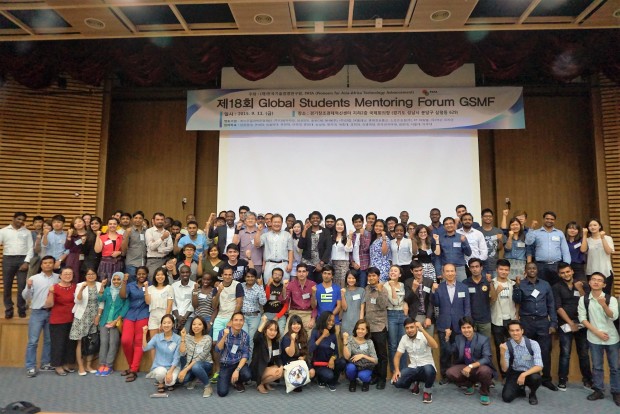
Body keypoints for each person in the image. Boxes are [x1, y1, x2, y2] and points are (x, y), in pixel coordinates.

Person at [513, 262, 558, 391]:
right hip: (527, 322)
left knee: (545, 352)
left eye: (534, 268)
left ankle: (546, 379)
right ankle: (527, 378)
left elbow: (551, 304)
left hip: (543, 322)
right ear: (525, 271)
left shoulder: (545, 285)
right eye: (529, 268)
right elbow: (516, 300)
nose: (532, 270)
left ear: (537, 270)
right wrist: (516, 287)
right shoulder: (520, 284)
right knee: (525, 352)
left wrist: (553, 323)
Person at [578, 272, 619, 406]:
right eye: (593, 279)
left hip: (611, 338)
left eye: (599, 280)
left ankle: (616, 392)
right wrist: (597, 332)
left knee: (614, 367)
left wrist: (604, 305)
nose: (596, 282)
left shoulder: (610, 299)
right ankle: (598, 390)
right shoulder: (584, 299)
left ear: (604, 284)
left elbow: (613, 317)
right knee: (597, 366)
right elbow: (582, 319)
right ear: (589, 283)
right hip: (594, 337)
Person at [553, 262, 592, 390]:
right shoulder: (557, 287)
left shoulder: (583, 285)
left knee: (584, 353)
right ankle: (562, 380)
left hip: (582, 322)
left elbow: (587, 303)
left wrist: (580, 289)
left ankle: (587, 380)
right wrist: (570, 323)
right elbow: (558, 307)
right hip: (565, 323)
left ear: (572, 271)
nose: (566, 274)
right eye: (563, 273)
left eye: (568, 272)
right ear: (559, 274)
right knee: (565, 352)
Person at [433, 263, 471, 384]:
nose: (450, 273)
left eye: (452, 271)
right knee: (445, 351)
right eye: (447, 271)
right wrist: (434, 292)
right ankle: (445, 376)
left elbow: (467, 306)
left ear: (456, 272)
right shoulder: (439, 287)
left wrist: (467, 324)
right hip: (444, 324)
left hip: (460, 324)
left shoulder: (463, 287)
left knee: (459, 351)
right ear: (443, 273)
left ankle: (459, 376)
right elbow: (436, 304)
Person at [446, 316, 496, 406]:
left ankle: (484, 392)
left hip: (479, 367)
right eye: (463, 328)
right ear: (460, 329)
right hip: (465, 367)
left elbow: (487, 358)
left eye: (468, 327)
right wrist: (447, 338)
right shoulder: (458, 338)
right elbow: (450, 351)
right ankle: (470, 384)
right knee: (450, 372)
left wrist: (471, 366)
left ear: (473, 328)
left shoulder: (483, 339)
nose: (466, 330)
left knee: (485, 371)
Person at [22, 255, 58, 377]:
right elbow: (26, 297)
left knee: (49, 340)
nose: (48, 265)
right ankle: (30, 366)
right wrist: (28, 286)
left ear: (54, 264)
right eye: (45, 263)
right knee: (33, 341)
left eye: (50, 263)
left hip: (52, 312)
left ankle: (45, 363)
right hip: (37, 312)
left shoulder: (58, 278)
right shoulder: (34, 278)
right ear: (41, 265)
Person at [391, 318, 438, 404]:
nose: (409, 330)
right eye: (407, 328)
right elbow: (397, 356)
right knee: (397, 383)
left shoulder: (423, 335)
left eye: (412, 327)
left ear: (416, 327)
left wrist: (422, 330)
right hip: (413, 368)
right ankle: (416, 381)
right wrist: (397, 370)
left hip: (426, 367)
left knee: (429, 370)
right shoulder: (404, 338)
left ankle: (427, 391)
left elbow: (435, 345)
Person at [500, 320, 543, 405]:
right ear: (509, 332)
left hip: (530, 372)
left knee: (536, 378)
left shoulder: (533, 344)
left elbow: (539, 366)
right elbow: (504, 369)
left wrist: (524, 374)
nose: (515, 333)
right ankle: (520, 389)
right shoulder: (506, 345)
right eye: (512, 331)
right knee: (506, 398)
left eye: (517, 330)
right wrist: (502, 353)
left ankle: (532, 393)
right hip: (515, 372)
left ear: (522, 331)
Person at [119, 267, 150, 383]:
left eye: (143, 274)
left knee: (138, 342)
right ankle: (131, 366)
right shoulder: (130, 285)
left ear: (147, 275)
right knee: (125, 341)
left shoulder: (150, 285)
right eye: (139, 274)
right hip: (130, 314)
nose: (141, 276)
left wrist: (147, 288)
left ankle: (133, 370)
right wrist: (124, 282)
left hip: (144, 314)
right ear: (136, 275)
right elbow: (123, 296)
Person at [1, 212, 34, 318]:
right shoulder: (3, 231)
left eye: (22, 220)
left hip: (22, 260)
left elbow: (30, 248)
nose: (21, 221)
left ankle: (21, 308)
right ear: (13, 218)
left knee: (22, 286)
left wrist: (27, 262)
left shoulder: (27, 232)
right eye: (19, 219)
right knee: (7, 286)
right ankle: (9, 309)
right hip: (8, 259)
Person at [70, 268, 102, 376]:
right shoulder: (80, 285)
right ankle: (81, 366)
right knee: (79, 341)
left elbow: (102, 302)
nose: (91, 276)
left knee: (91, 341)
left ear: (96, 275)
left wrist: (98, 315)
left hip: (94, 317)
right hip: (82, 316)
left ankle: (88, 365)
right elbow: (77, 301)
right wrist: (81, 289)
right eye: (88, 274)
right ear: (85, 276)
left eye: (93, 274)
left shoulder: (100, 285)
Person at [95, 272, 128, 376]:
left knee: (113, 343)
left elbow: (125, 308)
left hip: (116, 322)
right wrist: (102, 286)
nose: (116, 281)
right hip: (104, 320)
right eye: (114, 279)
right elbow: (100, 298)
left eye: (119, 279)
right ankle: (102, 364)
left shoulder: (124, 291)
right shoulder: (108, 289)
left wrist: (116, 320)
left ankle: (109, 366)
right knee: (104, 342)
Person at [45, 266, 76, 376]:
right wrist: (51, 293)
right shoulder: (54, 287)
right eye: (65, 274)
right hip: (58, 320)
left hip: (72, 320)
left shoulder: (75, 287)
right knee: (58, 344)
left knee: (70, 344)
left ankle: (66, 364)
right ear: (60, 276)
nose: (68, 276)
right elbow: (48, 305)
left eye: (70, 274)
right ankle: (58, 366)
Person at [525, 211, 571, 286]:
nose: (549, 220)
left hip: (556, 265)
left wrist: (567, 265)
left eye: (552, 219)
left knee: (556, 287)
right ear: (543, 219)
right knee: (541, 287)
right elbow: (528, 242)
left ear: (554, 221)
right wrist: (531, 228)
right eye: (547, 218)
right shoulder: (536, 232)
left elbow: (565, 250)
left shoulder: (559, 233)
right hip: (540, 266)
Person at [489, 259, 518, 378]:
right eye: (501, 269)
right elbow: (490, 301)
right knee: (500, 348)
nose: (503, 272)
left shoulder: (513, 284)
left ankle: (514, 372)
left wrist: (517, 316)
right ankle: (504, 375)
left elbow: (517, 302)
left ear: (509, 271)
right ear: (496, 270)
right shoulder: (492, 283)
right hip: (497, 321)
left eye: (506, 270)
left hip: (511, 319)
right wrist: (496, 291)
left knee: (514, 347)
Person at [361, 267, 389, 389]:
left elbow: (383, 305)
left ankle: (382, 379)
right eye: (369, 276)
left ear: (378, 277)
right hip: (369, 327)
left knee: (382, 355)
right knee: (373, 355)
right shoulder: (366, 289)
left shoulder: (383, 289)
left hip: (379, 326)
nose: (371, 278)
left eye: (374, 276)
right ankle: (375, 376)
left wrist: (379, 291)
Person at [215, 312, 252, 396]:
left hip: (238, 363)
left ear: (243, 322)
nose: (238, 322)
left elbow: (245, 355)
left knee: (247, 375)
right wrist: (224, 336)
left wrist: (237, 370)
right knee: (222, 393)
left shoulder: (245, 336)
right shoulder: (222, 332)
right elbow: (217, 349)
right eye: (235, 320)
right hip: (226, 364)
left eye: (241, 320)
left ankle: (237, 381)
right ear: (231, 321)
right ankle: (228, 378)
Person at [142, 314, 182, 393]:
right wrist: (144, 334)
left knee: (170, 382)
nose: (166, 325)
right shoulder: (157, 337)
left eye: (169, 323)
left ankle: (166, 380)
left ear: (173, 324)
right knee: (161, 373)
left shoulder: (178, 338)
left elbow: (177, 357)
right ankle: (160, 382)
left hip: (173, 367)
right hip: (159, 366)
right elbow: (145, 348)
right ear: (161, 325)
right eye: (164, 323)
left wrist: (170, 372)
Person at [309, 311, 347, 391]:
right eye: (329, 320)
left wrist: (332, 358)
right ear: (323, 320)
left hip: (330, 363)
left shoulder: (333, 334)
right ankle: (320, 378)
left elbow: (336, 352)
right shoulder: (315, 332)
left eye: (333, 321)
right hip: (319, 364)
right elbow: (310, 349)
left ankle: (332, 382)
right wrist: (322, 336)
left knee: (342, 362)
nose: (331, 323)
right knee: (329, 375)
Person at [178, 316, 214, 398]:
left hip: (205, 364)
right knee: (182, 380)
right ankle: (195, 377)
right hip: (190, 365)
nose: (196, 326)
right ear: (191, 326)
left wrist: (184, 370)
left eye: (199, 324)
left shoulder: (207, 339)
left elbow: (199, 358)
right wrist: (183, 338)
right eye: (194, 324)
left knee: (196, 367)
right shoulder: (187, 337)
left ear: (203, 326)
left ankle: (207, 386)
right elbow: (182, 353)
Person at [280, 314, 316, 392]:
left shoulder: (303, 334)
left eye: (298, 324)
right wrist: (292, 340)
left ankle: (298, 381)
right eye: (294, 324)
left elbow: (306, 351)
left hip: (301, 360)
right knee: (297, 382)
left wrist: (304, 357)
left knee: (312, 372)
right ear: (290, 325)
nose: (296, 326)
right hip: (290, 361)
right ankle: (295, 381)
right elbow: (290, 354)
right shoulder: (286, 338)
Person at [255, 214, 293, 282]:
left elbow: (290, 250)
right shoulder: (265, 235)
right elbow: (257, 244)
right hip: (269, 264)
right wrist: (258, 231)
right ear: (271, 223)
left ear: (282, 223)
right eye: (275, 222)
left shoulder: (287, 235)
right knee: (268, 286)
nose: (276, 224)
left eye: (279, 222)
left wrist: (290, 264)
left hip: (283, 264)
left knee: (285, 286)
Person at [251, 316, 284, 394]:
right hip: (258, 368)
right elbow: (255, 337)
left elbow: (277, 358)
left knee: (281, 371)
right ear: (265, 330)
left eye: (275, 330)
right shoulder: (260, 340)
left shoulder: (275, 342)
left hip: (267, 367)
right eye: (270, 330)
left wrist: (281, 366)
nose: (273, 332)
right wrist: (264, 322)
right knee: (276, 371)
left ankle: (264, 382)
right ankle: (259, 383)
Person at [281, 263, 316, 335]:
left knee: (311, 335)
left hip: (307, 314)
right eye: (299, 271)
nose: (301, 274)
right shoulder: (291, 284)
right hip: (294, 313)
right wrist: (284, 288)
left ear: (307, 273)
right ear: (296, 273)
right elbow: (284, 300)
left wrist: (313, 318)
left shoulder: (313, 285)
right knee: (286, 336)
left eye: (303, 271)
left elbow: (315, 306)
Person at [343, 319, 377, 392]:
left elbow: (375, 360)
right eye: (358, 328)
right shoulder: (350, 339)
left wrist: (363, 355)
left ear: (367, 331)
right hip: (354, 365)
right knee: (350, 368)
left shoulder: (369, 342)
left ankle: (366, 382)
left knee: (363, 376)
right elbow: (346, 357)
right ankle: (352, 381)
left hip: (366, 366)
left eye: (363, 329)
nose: (360, 331)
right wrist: (345, 342)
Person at [384, 265, 408, 372]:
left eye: (395, 271)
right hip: (391, 315)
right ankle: (395, 370)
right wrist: (393, 287)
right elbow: (395, 302)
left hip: (403, 315)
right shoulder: (385, 285)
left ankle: (404, 370)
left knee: (403, 343)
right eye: (391, 271)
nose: (392, 272)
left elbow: (406, 299)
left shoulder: (403, 285)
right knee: (393, 344)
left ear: (400, 274)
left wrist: (406, 303)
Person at [298, 211, 332, 284]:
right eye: (313, 218)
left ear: (320, 219)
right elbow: (301, 245)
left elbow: (328, 248)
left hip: (321, 263)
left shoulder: (326, 231)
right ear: (310, 220)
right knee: (309, 284)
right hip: (308, 263)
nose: (315, 219)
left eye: (317, 218)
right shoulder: (307, 231)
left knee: (320, 284)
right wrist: (304, 230)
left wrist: (321, 263)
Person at [583, 218, 615, 295]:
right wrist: (584, 235)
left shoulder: (608, 238)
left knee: (606, 294)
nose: (592, 227)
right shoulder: (587, 240)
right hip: (591, 271)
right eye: (590, 225)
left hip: (605, 270)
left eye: (595, 225)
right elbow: (583, 250)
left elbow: (608, 251)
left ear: (599, 226)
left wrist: (602, 238)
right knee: (593, 294)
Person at [404, 262, 436, 336]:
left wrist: (428, 317)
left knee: (429, 343)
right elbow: (407, 300)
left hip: (428, 315)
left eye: (420, 270)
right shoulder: (408, 282)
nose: (419, 273)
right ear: (411, 271)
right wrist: (413, 289)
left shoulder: (429, 281)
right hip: (415, 315)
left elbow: (431, 302)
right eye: (416, 271)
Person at [463, 258, 492, 338]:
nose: (475, 269)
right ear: (469, 269)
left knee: (485, 345)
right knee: (471, 346)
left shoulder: (487, 282)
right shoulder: (465, 283)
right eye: (472, 267)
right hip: (470, 321)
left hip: (485, 320)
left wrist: (491, 283)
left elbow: (493, 299)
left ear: (481, 267)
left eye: (477, 266)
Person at [241, 268, 267, 356]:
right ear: (245, 277)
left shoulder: (258, 288)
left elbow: (263, 302)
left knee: (251, 340)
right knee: (244, 339)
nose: (250, 278)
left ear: (255, 278)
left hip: (254, 317)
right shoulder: (241, 286)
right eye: (248, 276)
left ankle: (249, 364)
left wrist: (261, 287)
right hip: (243, 317)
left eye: (252, 276)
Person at [311, 264, 342, 335]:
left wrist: (329, 317)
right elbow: (313, 306)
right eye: (324, 273)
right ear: (321, 274)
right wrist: (313, 294)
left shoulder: (337, 288)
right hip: (320, 322)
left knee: (334, 345)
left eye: (329, 274)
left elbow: (339, 306)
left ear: (332, 276)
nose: (326, 276)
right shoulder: (316, 288)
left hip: (334, 322)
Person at [438, 217, 472, 282]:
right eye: (446, 224)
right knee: (445, 290)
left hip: (459, 268)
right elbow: (438, 257)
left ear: (454, 225)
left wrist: (464, 242)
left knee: (461, 288)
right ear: (444, 226)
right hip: (446, 269)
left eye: (451, 223)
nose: (449, 225)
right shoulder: (440, 239)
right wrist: (439, 271)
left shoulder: (461, 237)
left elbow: (468, 253)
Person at [146, 268, 174, 341]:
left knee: (164, 342)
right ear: (155, 276)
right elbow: (147, 302)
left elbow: (169, 305)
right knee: (154, 342)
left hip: (165, 315)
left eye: (162, 275)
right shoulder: (150, 288)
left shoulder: (169, 288)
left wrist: (164, 320)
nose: (160, 277)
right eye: (158, 275)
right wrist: (146, 288)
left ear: (165, 276)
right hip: (153, 316)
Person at [233, 212, 264, 278]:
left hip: (257, 263)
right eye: (248, 219)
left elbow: (259, 245)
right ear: (244, 221)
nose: (250, 220)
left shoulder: (261, 232)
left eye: (252, 219)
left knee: (256, 283)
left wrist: (258, 231)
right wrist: (237, 230)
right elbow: (234, 244)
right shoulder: (241, 232)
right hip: (243, 262)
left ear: (256, 220)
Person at [120, 211, 146, 282]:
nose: (138, 220)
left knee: (142, 285)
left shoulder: (146, 231)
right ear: (132, 219)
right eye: (136, 218)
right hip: (132, 263)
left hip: (144, 263)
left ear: (143, 220)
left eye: (140, 218)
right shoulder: (128, 231)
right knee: (131, 285)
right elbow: (123, 247)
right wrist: (127, 235)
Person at [94, 217, 123, 282]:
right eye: (110, 224)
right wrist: (98, 236)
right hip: (105, 263)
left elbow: (125, 250)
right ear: (107, 225)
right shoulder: (102, 237)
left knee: (117, 283)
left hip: (117, 263)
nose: (112, 225)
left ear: (117, 225)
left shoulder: (121, 237)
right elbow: (97, 250)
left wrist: (119, 252)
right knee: (104, 282)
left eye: (114, 224)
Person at [145, 212, 173, 278]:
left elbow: (171, 247)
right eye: (157, 219)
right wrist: (162, 238)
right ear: (153, 220)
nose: (160, 221)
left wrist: (159, 249)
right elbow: (151, 247)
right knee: (152, 280)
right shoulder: (149, 231)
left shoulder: (167, 232)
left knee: (165, 280)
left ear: (164, 221)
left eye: (161, 219)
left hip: (165, 260)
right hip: (153, 260)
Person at [479, 208, 504, 276]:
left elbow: (500, 248)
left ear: (492, 218)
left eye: (490, 216)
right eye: (485, 216)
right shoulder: (477, 231)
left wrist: (500, 240)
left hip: (494, 264)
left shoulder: (498, 231)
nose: (488, 218)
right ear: (482, 217)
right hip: (481, 265)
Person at [340, 271, 365, 338]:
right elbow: (344, 308)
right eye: (349, 278)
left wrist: (361, 323)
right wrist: (342, 295)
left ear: (356, 279)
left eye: (353, 278)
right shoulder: (343, 290)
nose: (351, 280)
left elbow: (362, 309)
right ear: (346, 279)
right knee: (346, 345)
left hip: (357, 322)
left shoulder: (361, 290)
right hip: (346, 323)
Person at [64, 216, 89, 283]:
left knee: (84, 276)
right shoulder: (72, 234)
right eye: (75, 223)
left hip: (85, 257)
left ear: (84, 223)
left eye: (80, 221)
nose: (78, 224)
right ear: (73, 226)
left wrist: (84, 243)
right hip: (73, 257)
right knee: (73, 276)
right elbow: (67, 246)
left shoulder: (89, 234)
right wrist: (69, 236)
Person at [172, 266, 195, 333]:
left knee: (186, 335)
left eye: (187, 272)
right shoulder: (174, 286)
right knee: (173, 335)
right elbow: (172, 303)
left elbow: (193, 304)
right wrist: (178, 317)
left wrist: (184, 318)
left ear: (190, 273)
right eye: (183, 272)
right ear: (180, 273)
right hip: (176, 315)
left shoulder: (195, 285)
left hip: (189, 316)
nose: (185, 274)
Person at [350, 214, 371, 287]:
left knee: (362, 287)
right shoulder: (352, 235)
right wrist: (352, 263)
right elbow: (349, 251)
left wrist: (362, 236)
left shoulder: (367, 234)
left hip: (364, 267)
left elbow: (365, 248)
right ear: (353, 223)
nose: (358, 224)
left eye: (359, 222)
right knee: (353, 287)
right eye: (356, 222)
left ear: (362, 222)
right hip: (354, 266)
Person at [330, 218, 352, 287]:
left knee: (343, 284)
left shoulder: (347, 238)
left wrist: (350, 238)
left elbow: (348, 249)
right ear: (335, 226)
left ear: (344, 227)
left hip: (343, 264)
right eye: (338, 224)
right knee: (334, 284)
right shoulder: (331, 237)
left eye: (341, 225)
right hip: (333, 264)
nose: (339, 226)